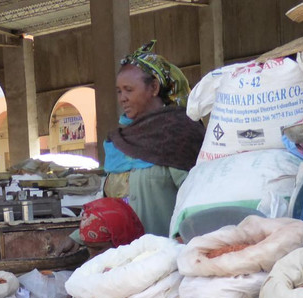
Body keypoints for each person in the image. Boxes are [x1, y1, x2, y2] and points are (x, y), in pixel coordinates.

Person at [60, 40, 206, 252]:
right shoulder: (120, 140)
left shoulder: (180, 135)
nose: (122, 98)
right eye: (119, 91)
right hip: (126, 265)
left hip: (170, 262)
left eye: (129, 90)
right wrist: (78, 237)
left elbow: (197, 202)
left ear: (154, 88)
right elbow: (111, 204)